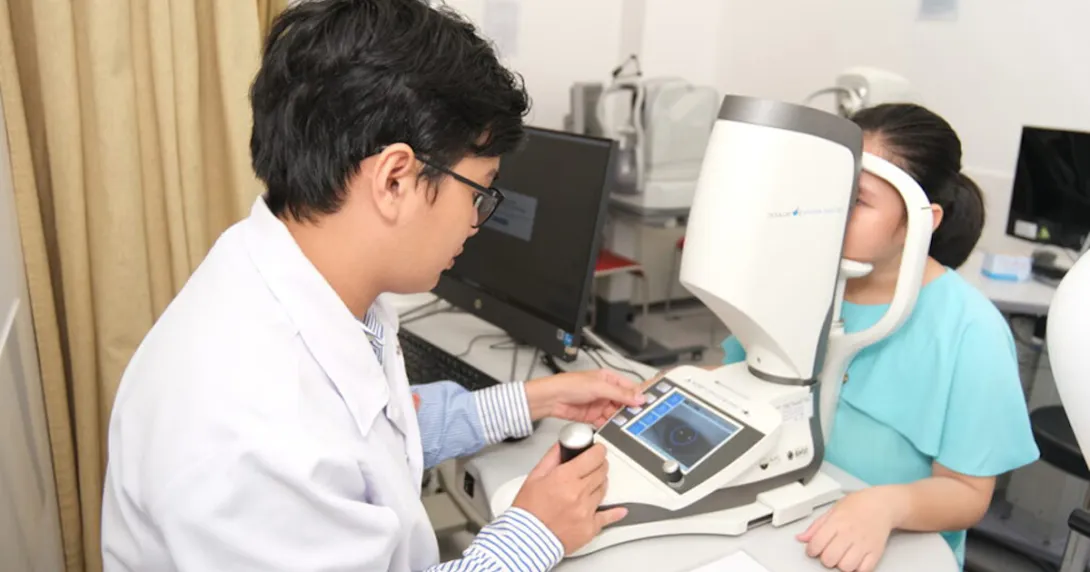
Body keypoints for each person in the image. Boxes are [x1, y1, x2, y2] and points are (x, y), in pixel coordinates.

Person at [99, 1, 643, 570]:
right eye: (478, 192)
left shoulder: (286, 275)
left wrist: (534, 399)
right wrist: (532, 534)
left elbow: (375, 438)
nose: (474, 222)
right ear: (393, 179)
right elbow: (326, 450)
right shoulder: (251, 427)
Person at [718, 104, 1039, 571]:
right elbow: (736, 376)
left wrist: (887, 506)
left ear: (921, 219)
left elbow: (968, 493)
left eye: (857, 201)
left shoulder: (970, 330)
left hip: (890, 551)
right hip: (773, 523)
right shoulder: (797, 282)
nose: (827, 212)